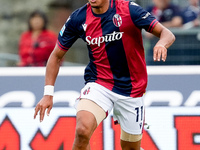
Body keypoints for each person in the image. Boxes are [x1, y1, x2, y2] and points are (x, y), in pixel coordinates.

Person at [34, 0, 175, 149]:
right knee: (82, 130)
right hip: (99, 83)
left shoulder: (129, 10)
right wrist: (48, 93)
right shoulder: (78, 18)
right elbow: (56, 56)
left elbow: (167, 34)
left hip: (132, 89)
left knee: (130, 148)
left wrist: (161, 43)